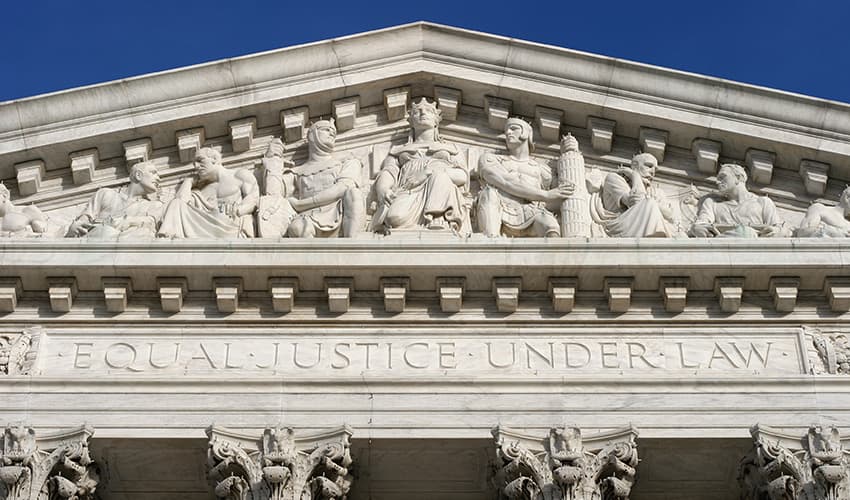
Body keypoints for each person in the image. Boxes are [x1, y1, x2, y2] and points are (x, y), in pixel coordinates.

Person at [370, 98, 468, 233]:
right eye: (417, 112)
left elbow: (462, 176)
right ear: (411, 121)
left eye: (428, 111)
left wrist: (428, 172)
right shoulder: (398, 150)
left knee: (439, 176)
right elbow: (388, 171)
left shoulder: (452, 148)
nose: (422, 113)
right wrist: (383, 189)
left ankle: (436, 216)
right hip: (408, 189)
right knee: (394, 218)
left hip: (440, 188)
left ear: (436, 120)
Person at [259, 120, 364, 238]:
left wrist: (300, 204)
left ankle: (354, 248)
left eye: (333, 132)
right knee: (297, 228)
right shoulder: (297, 172)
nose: (332, 134)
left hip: (339, 212)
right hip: (307, 218)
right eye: (326, 130)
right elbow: (274, 195)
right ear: (312, 134)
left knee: (354, 193)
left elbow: (343, 187)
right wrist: (273, 159)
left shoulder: (347, 161)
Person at [476, 118, 572, 237]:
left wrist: (571, 151)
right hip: (502, 208)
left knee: (551, 227)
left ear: (526, 133)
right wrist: (545, 195)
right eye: (507, 130)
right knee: (489, 193)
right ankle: (490, 243)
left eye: (513, 128)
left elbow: (563, 194)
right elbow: (506, 182)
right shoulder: (491, 159)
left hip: (533, 212)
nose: (508, 133)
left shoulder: (543, 170)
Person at [158, 147, 259, 238]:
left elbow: (253, 198)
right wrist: (188, 182)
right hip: (204, 226)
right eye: (194, 164)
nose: (196, 166)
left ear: (214, 159)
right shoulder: (202, 190)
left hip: (230, 224)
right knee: (176, 203)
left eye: (200, 160)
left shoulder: (239, 175)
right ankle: (166, 238)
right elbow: (180, 203)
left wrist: (238, 210)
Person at [66, 160, 162, 239]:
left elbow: (151, 222)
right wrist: (73, 229)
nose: (159, 178)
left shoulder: (152, 206)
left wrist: (128, 221)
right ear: (138, 175)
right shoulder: (105, 194)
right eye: (153, 173)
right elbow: (84, 220)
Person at [590, 152, 675, 238]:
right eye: (649, 166)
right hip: (621, 226)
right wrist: (635, 175)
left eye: (655, 169)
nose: (653, 172)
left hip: (640, 225)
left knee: (677, 232)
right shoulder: (614, 178)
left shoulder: (655, 191)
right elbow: (636, 202)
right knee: (650, 204)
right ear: (635, 166)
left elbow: (670, 216)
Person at [690, 163, 785, 238]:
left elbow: (778, 229)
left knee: (747, 233)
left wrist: (775, 231)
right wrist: (698, 228)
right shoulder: (712, 203)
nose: (717, 182)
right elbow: (701, 223)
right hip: (722, 248)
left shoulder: (763, 202)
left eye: (722, 177)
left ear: (739, 178)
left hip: (755, 250)